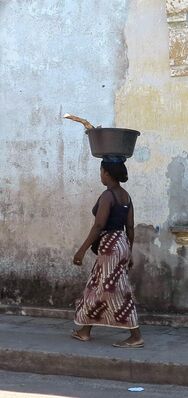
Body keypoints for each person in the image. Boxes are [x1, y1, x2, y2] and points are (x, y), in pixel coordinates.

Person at [72, 156, 144, 348]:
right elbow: (130, 227)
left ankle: (136, 336)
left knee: (114, 290)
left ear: (107, 173)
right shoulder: (126, 196)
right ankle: (85, 330)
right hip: (120, 243)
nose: (101, 175)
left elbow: (98, 225)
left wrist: (81, 250)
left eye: (101, 171)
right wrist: (128, 251)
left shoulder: (108, 196)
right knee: (96, 286)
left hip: (110, 246)